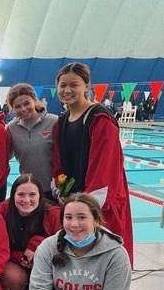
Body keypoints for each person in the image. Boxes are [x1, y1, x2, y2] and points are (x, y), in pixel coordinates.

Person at [53, 63, 133, 265]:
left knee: (101, 260)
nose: (67, 90)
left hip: (99, 202)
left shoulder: (101, 120)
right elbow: (58, 163)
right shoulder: (61, 122)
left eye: (74, 85)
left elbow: (104, 168)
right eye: (63, 85)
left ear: (87, 86)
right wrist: (62, 190)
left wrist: (86, 205)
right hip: (73, 198)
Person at [0, 174, 61, 290]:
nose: (26, 200)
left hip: (45, 263)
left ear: (40, 196)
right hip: (13, 260)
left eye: (32, 194)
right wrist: (20, 257)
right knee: (13, 278)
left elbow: (61, 243)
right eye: (21, 195)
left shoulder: (53, 214)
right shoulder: (0, 213)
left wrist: (36, 246)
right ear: (13, 196)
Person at [6, 83, 58, 202]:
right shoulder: (11, 128)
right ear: (13, 109)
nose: (23, 109)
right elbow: (4, 156)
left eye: (26, 103)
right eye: (17, 106)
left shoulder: (53, 121)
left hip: (54, 189)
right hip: (29, 191)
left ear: (35, 101)